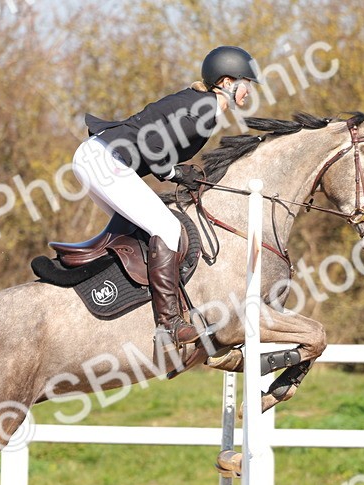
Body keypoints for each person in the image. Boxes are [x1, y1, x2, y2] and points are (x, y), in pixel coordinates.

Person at [71, 46, 259, 353]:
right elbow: (152, 144)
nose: (248, 91)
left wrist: (177, 172)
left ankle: (123, 304)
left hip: (97, 157)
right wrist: (174, 174)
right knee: (167, 228)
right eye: (246, 82)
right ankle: (169, 324)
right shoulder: (206, 108)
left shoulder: (199, 103)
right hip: (104, 160)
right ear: (227, 82)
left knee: (142, 231)